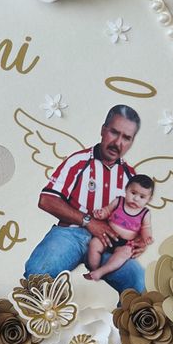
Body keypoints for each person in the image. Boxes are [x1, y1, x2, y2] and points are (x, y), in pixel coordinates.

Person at [23, 104, 147, 295]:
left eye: (126, 138)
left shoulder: (131, 176)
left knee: (138, 280)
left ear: (132, 141)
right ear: (103, 130)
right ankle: (43, 321)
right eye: (114, 132)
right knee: (37, 274)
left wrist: (139, 240)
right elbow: (47, 200)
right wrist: (88, 221)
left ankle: (121, 324)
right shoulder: (78, 162)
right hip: (70, 235)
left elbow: (135, 218)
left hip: (109, 243)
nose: (118, 143)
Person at [83, 174, 154, 281]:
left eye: (142, 197)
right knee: (94, 244)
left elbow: (146, 228)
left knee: (124, 254)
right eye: (133, 193)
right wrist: (101, 214)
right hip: (107, 235)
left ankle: (101, 271)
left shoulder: (145, 213)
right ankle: (93, 269)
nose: (135, 198)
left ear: (149, 199)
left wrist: (147, 237)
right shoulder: (119, 201)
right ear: (126, 189)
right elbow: (107, 211)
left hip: (126, 243)